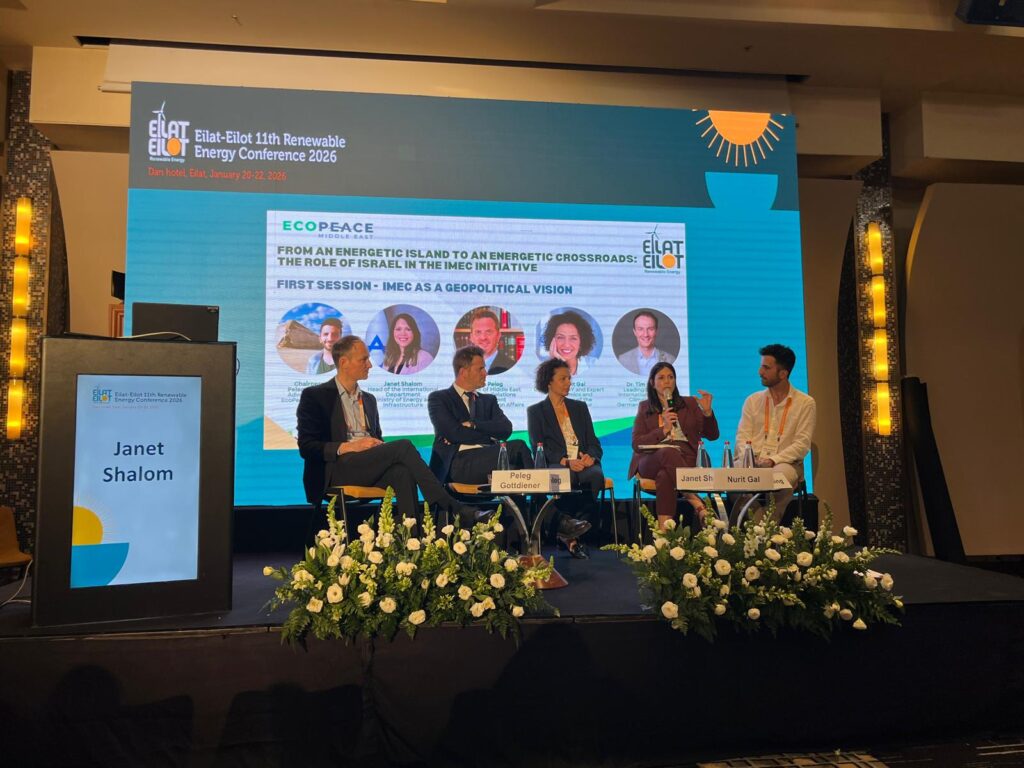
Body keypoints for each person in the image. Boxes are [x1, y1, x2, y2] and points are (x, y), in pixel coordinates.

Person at [296, 335, 483, 525]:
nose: (369, 365)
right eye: (363, 359)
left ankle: (411, 537)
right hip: (336, 469)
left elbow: (377, 439)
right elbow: (307, 446)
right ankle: (451, 506)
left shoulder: (368, 400)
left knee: (402, 472)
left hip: (367, 465)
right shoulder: (316, 396)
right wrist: (349, 447)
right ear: (344, 362)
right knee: (403, 446)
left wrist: (376, 446)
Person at [526, 359, 603, 558]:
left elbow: (594, 442)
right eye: (563, 379)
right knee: (563, 476)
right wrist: (566, 461)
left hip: (582, 463)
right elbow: (538, 447)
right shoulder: (536, 412)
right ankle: (570, 535)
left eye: (569, 378)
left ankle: (571, 531)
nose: (568, 383)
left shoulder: (580, 407)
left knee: (595, 476)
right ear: (549, 382)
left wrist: (591, 457)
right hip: (558, 463)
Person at [629, 362, 718, 530]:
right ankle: (696, 502)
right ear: (652, 383)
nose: (667, 381)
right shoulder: (645, 407)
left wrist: (707, 413)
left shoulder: (689, 404)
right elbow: (637, 444)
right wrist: (664, 430)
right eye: (661, 378)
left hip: (684, 459)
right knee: (667, 452)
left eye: (671, 377)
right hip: (651, 460)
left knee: (665, 476)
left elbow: (712, 435)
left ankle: (664, 533)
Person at [427, 345, 534, 485]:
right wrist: (490, 437)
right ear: (464, 372)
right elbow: (454, 433)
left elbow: (506, 429)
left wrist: (474, 425)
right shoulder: (439, 398)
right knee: (518, 447)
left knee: (514, 470)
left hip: (487, 458)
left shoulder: (489, 400)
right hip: (457, 462)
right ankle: (539, 495)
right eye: (480, 369)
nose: (485, 373)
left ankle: (528, 498)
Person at [734, 344, 816, 523]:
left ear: (783, 373)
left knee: (778, 479)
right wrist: (750, 458)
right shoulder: (753, 400)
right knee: (732, 477)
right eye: (761, 367)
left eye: (766, 368)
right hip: (753, 460)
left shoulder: (805, 403)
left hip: (784, 462)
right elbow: (742, 437)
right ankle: (761, 527)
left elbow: (802, 445)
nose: (760, 372)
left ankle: (763, 528)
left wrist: (773, 460)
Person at [616, 310, 674, 376]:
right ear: (634, 332)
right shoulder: (623, 360)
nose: (646, 334)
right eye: (640, 329)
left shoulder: (670, 359)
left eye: (650, 329)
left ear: (656, 331)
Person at [542, 310, 597, 376]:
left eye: (573, 338)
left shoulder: (594, 364)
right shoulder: (543, 368)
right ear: (551, 340)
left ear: (581, 342)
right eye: (560, 337)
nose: (566, 345)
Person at [466, 308, 517, 375]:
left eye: (489, 332)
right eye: (478, 332)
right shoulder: (462, 367)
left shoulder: (511, 367)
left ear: (498, 336)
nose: (483, 337)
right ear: (471, 337)